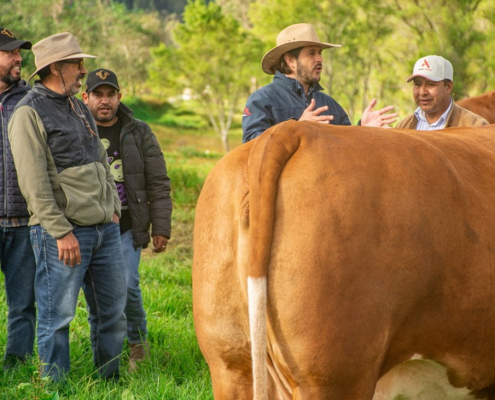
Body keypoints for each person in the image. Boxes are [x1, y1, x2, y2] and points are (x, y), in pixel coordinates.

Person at [8, 32, 127, 382]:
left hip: (104, 228)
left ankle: (110, 379)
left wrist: (113, 208)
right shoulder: (28, 112)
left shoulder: (78, 106)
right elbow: (33, 183)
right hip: (64, 233)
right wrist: (61, 232)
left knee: (112, 313)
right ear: (56, 67)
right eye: (77, 63)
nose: (82, 70)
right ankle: (54, 386)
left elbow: (102, 161)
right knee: (56, 317)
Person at [82, 68, 172, 372]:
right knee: (97, 293)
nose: (105, 101)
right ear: (86, 97)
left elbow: (158, 181)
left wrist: (160, 227)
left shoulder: (138, 131)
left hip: (126, 225)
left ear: (120, 97)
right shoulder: (78, 129)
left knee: (129, 285)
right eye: (98, 94)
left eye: (111, 94)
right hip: (87, 223)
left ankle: (136, 342)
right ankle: (104, 347)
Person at [242, 23, 397, 143]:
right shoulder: (262, 100)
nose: (319, 59)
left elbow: (347, 149)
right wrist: (296, 128)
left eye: (320, 53)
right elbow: (251, 146)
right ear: (290, 61)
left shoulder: (329, 104)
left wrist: (362, 129)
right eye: (311, 53)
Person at [0, 27, 36, 369]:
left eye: (18, 52)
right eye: (10, 52)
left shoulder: (31, 102)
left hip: (24, 222)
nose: (18, 58)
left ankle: (18, 363)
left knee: (23, 302)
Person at [396, 55, 489, 129]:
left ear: (448, 87)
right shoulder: (403, 127)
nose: (422, 92)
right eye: (417, 84)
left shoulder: (475, 126)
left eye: (430, 84)